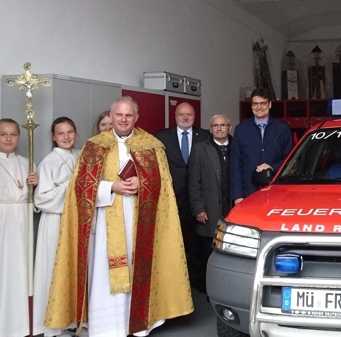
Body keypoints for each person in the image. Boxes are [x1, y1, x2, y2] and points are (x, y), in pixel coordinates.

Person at [44, 97, 193, 337]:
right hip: (105, 222)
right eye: (119, 115)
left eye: (128, 116)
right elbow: (80, 187)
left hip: (139, 223)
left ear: (136, 118)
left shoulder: (151, 145)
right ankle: (106, 325)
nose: (123, 120)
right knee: (104, 270)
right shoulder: (94, 145)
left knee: (138, 266)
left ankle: (139, 324)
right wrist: (111, 187)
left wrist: (143, 183)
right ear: (111, 117)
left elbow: (164, 187)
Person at [0, 118, 39, 337]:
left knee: (21, 273)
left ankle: (21, 326)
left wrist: (36, 185)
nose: (8, 139)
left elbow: (36, 200)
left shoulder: (28, 163)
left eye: (13, 134)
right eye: (3, 134)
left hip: (22, 223)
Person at [34, 117, 80, 337]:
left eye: (70, 132)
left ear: (76, 133)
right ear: (53, 136)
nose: (66, 137)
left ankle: (73, 318)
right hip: (56, 221)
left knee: (75, 268)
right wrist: (70, 187)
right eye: (60, 133)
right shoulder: (49, 162)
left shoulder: (81, 156)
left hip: (78, 221)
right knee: (55, 269)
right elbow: (42, 199)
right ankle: (54, 323)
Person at [156, 102, 209, 292]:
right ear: (175, 116)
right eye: (181, 114)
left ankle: (196, 282)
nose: (185, 118)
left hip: (198, 198)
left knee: (197, 242)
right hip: (172, 198)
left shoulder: (204, 136)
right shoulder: (162, 137)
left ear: (195, 116)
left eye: (189, 115)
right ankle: (175, 284)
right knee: (173, 241)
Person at [188, 114, 232, 292]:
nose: (219, 128)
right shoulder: (200, 149)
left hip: (231, 207)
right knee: (209, 252)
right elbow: (193, 181)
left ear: (230, 127)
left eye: (223, 125)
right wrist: (198, 208)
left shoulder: (237, 147)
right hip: (209, 209)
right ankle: (210, 290)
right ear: (210, 128)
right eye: (215, 126)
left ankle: (227, 288)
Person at [230, 88, 294, 205]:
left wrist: (272, 167)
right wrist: (237, 196)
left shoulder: (282, 129)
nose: (259, 107)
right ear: (251, 106)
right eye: (255, 104)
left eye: (263, 103)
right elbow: (235, 164)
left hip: (276, 191)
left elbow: (290, 159)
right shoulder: (241, 130)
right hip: (248, 192)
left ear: (269, 104)